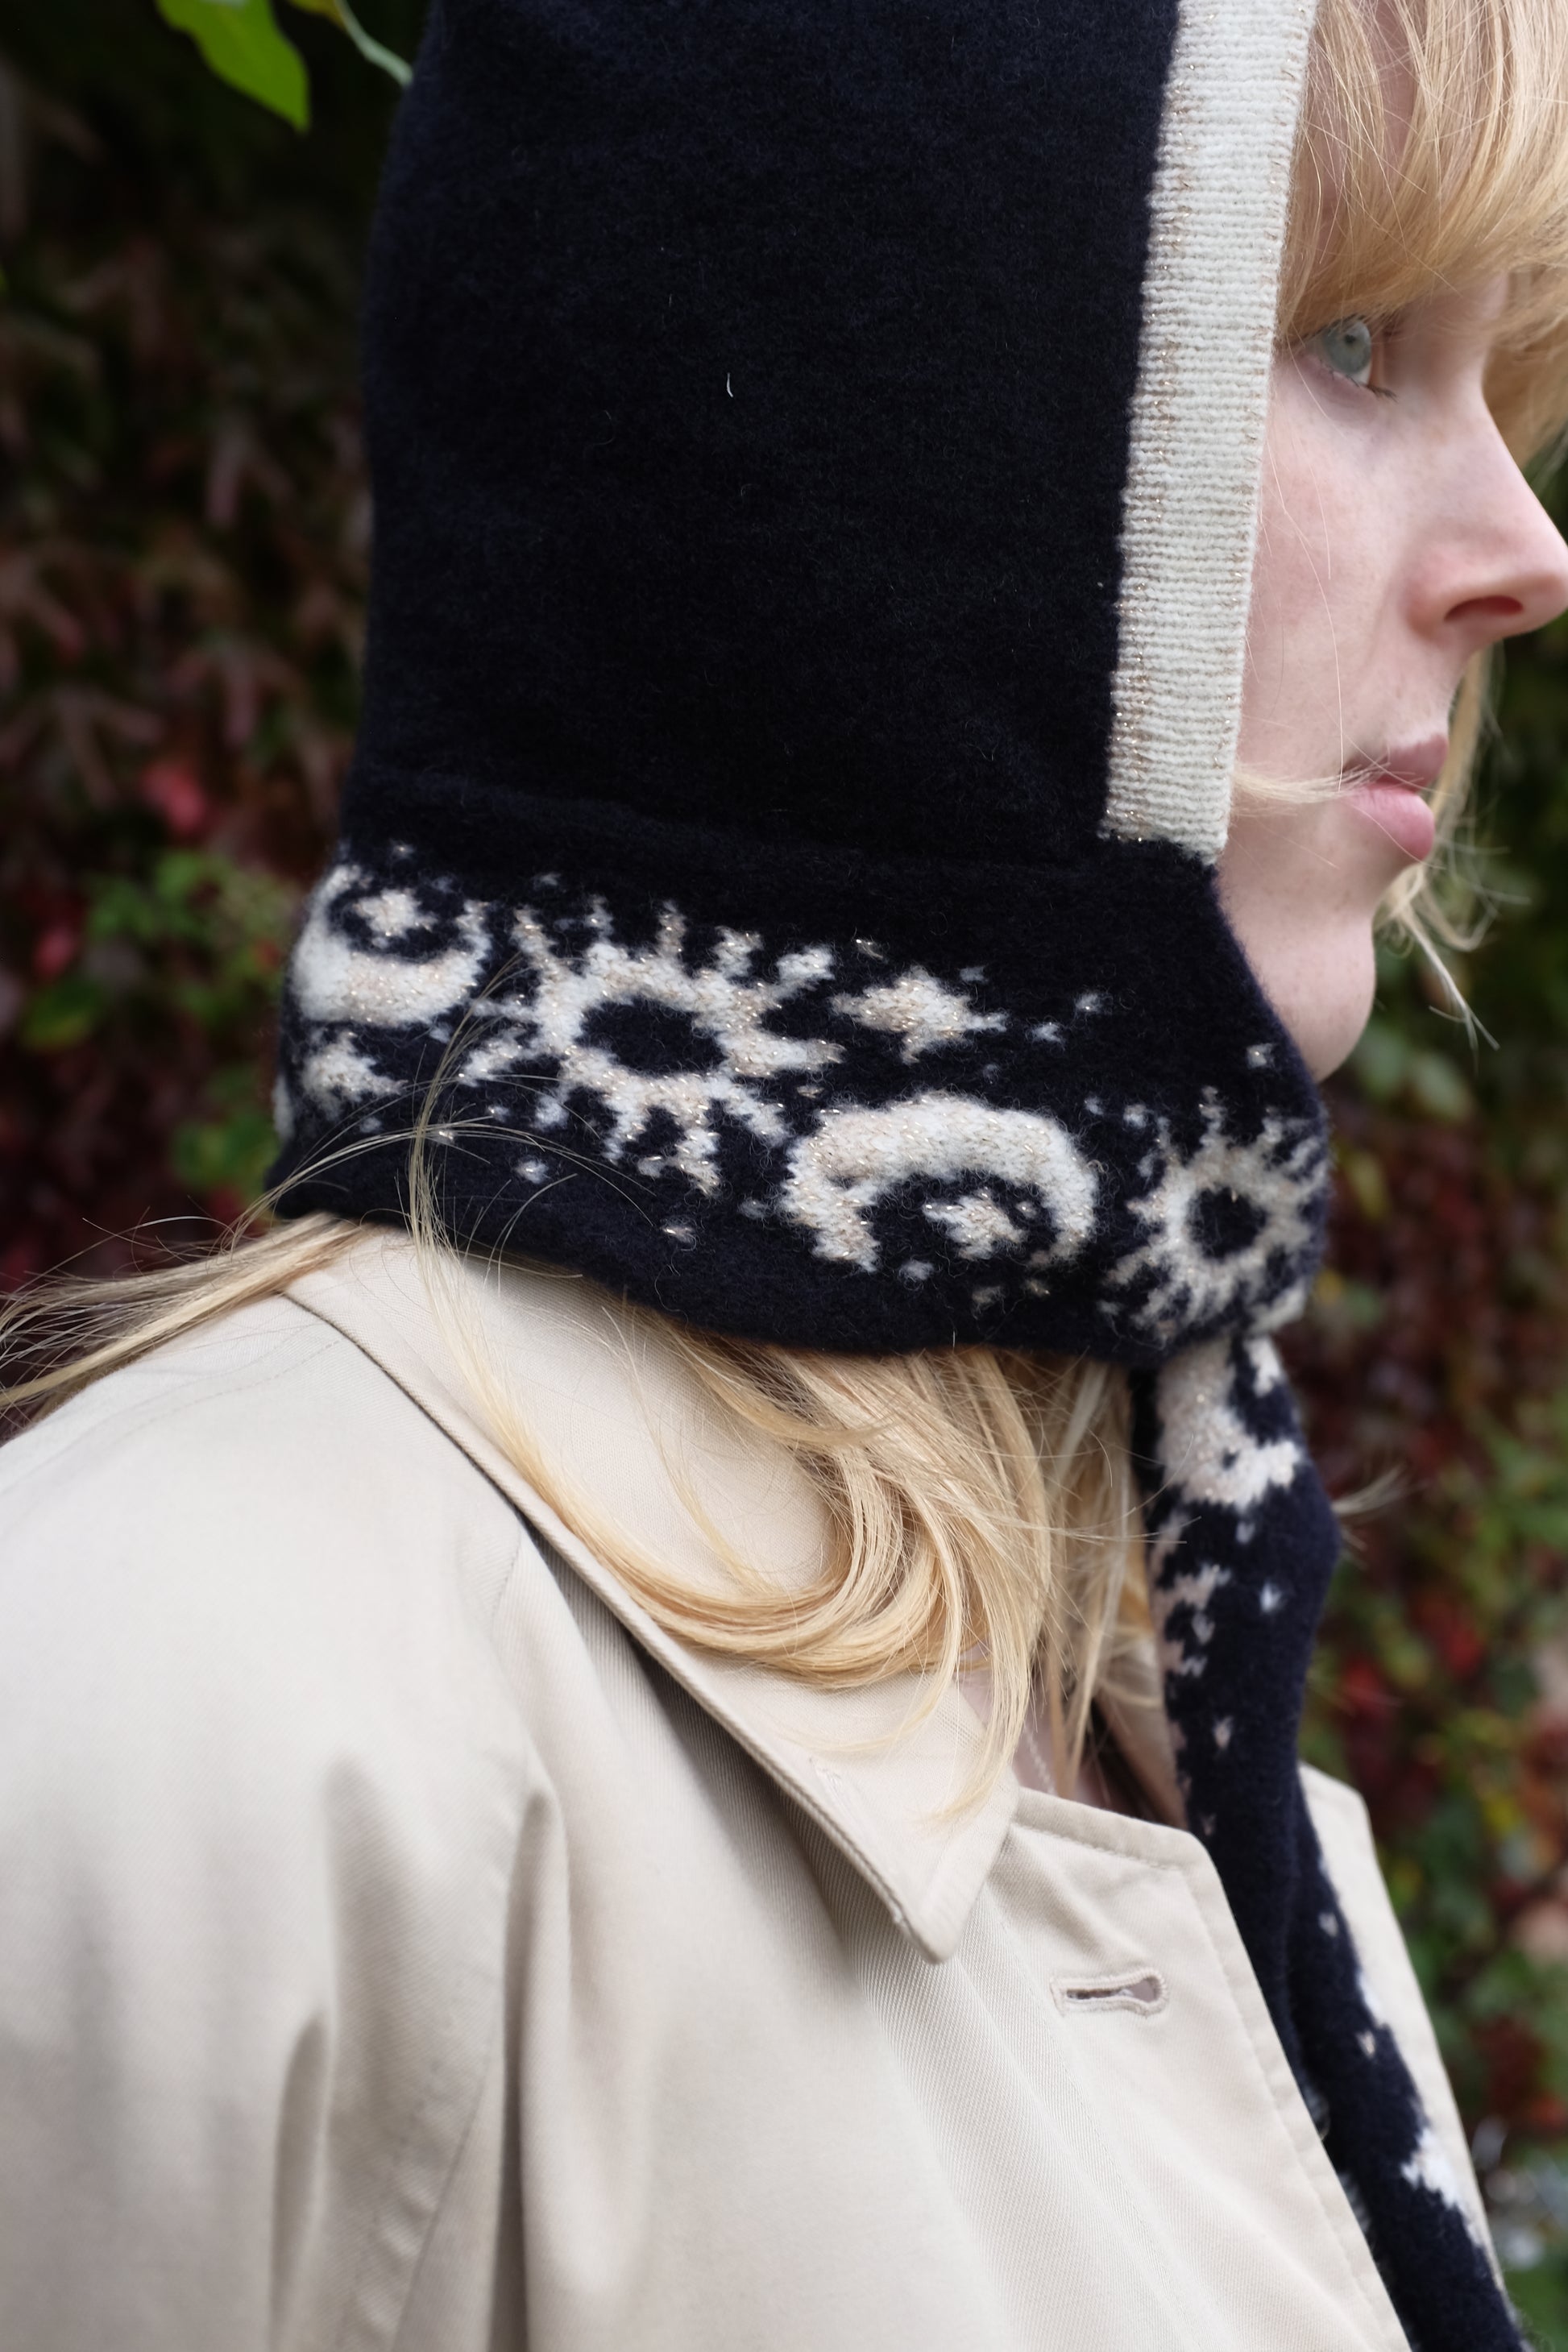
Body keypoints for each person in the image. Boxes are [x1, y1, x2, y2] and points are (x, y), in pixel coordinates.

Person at [2, 0, 1567, 2345]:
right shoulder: (185, 1701)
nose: (1520, 549)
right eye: (1349, 346)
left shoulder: (1166, 1746)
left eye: (1495, 385)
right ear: (898, 423)